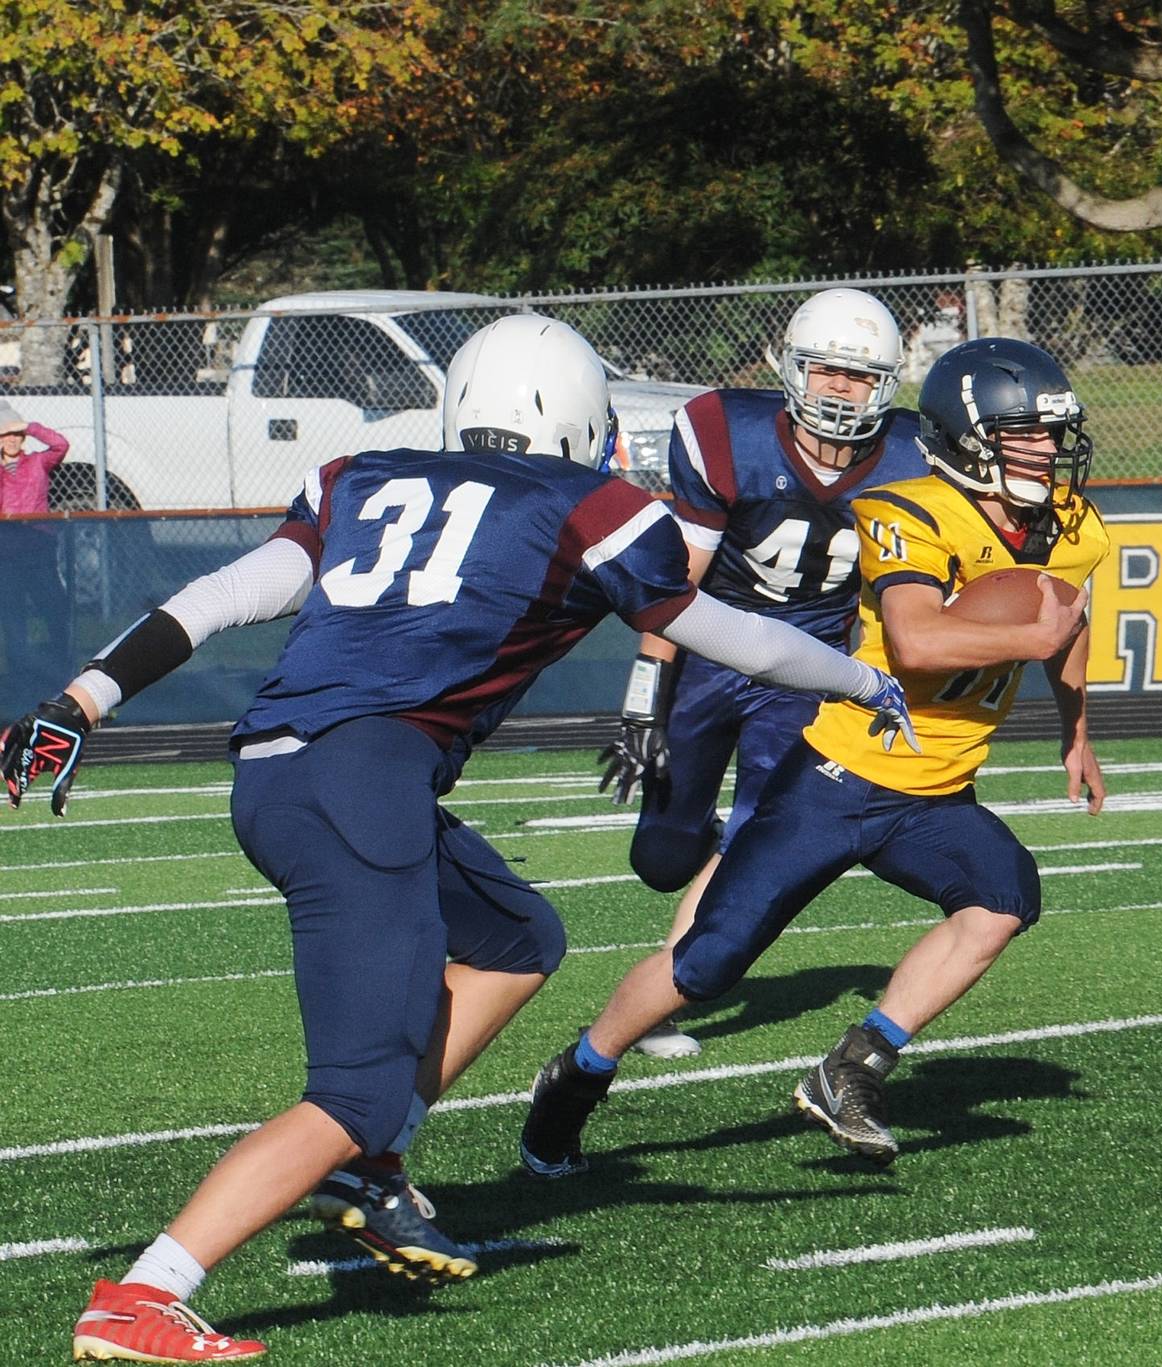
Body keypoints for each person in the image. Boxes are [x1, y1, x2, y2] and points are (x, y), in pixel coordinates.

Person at [2, 315, 910, 1363]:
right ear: (578, 419)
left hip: (286, 770)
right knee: (348, 1090)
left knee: (516, 936)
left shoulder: (361, 475)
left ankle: (373, 1160)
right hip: (363, 779)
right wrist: (860, 678)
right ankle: (150, 1291)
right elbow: (732, 632)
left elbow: (226, 595)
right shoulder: (591, 501)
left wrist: (85, 695)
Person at [520, 336, 1106, 1175]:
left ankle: (856, 1062)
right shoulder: (906, 510)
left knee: (1004, 896)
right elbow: (914, 637)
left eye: (1052, 434)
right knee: (706, 964)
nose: (1045, 451)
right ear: (968, 437)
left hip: (935, 795)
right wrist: (1034, 630)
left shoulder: (1074, 525)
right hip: (836, 780)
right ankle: (579, 1073)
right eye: (1025, 434)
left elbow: (1069, 626)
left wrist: (1075, 728)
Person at [596, 287, 928, 1060]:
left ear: (887, 384)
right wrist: (643, 699)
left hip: (811, 665)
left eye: (858, 375)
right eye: (824, 370)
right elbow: (678, 584)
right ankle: (700, 846)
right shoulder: (726, 432)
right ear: (790, 369)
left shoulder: (916, 457)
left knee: (757, 832)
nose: (839, 389)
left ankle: (662, 996)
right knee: (662, 856)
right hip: (715, 647)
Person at [0, 400, 74, 681]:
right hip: (6, 553)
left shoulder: (37, 463)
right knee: (12, 614)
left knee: (53, 607)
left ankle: (60, 665)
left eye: (16, 434)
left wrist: (29, 427)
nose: (11, 440)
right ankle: (19, 672)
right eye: (5, 435)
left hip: (38, 549)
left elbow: (60, 445)